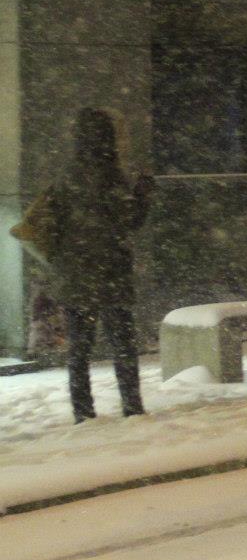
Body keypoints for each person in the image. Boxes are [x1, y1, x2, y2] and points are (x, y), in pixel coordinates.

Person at [11, 110, 153, 421]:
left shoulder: (67, 175)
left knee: (80, 350)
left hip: (75, 275)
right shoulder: (111, 176)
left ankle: (83, 412)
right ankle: (132, 406)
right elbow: (131, 219)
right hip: (111, 274)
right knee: (123, 346)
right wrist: (142, 192)